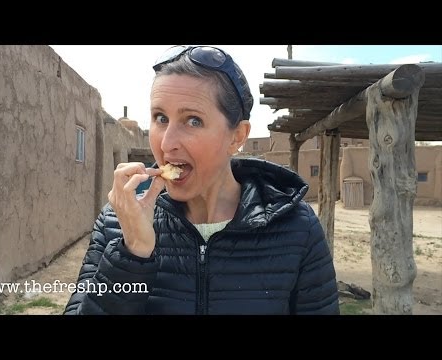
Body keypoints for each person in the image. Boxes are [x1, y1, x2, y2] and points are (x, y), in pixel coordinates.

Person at [64, 45, 339, 315]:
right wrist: (132, 255)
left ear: (238, 137)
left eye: (192, 121)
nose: (167, 143)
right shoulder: (117, 223)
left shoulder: (297, 229)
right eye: (160, 118)